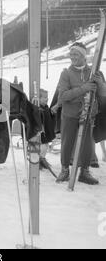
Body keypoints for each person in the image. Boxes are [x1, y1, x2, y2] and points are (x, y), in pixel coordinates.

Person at [56, 42, 105, 185]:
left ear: (84, 56)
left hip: (88, 113)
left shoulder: (94, 72)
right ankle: (65, 170)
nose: (72, 57)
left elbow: (103, 94)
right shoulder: (66, 73)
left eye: (75, 54)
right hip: (70, 114)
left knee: (87, 144)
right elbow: (63, 96)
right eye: (71, 54)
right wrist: (84, 88)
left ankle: (84, 171)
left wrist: (100, 84)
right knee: (67, 142)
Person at [38, 89, 56, 170]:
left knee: (45, 146)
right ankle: (40, 160)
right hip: (42, 132)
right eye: (45, 97)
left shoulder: (46, 107)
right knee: (43, 146)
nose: (47, 99)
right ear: (38, 98)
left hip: (47, 131)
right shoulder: (39, 109)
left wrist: (52, 113)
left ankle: (42, 158)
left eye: (47, 97)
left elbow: (49, 117)